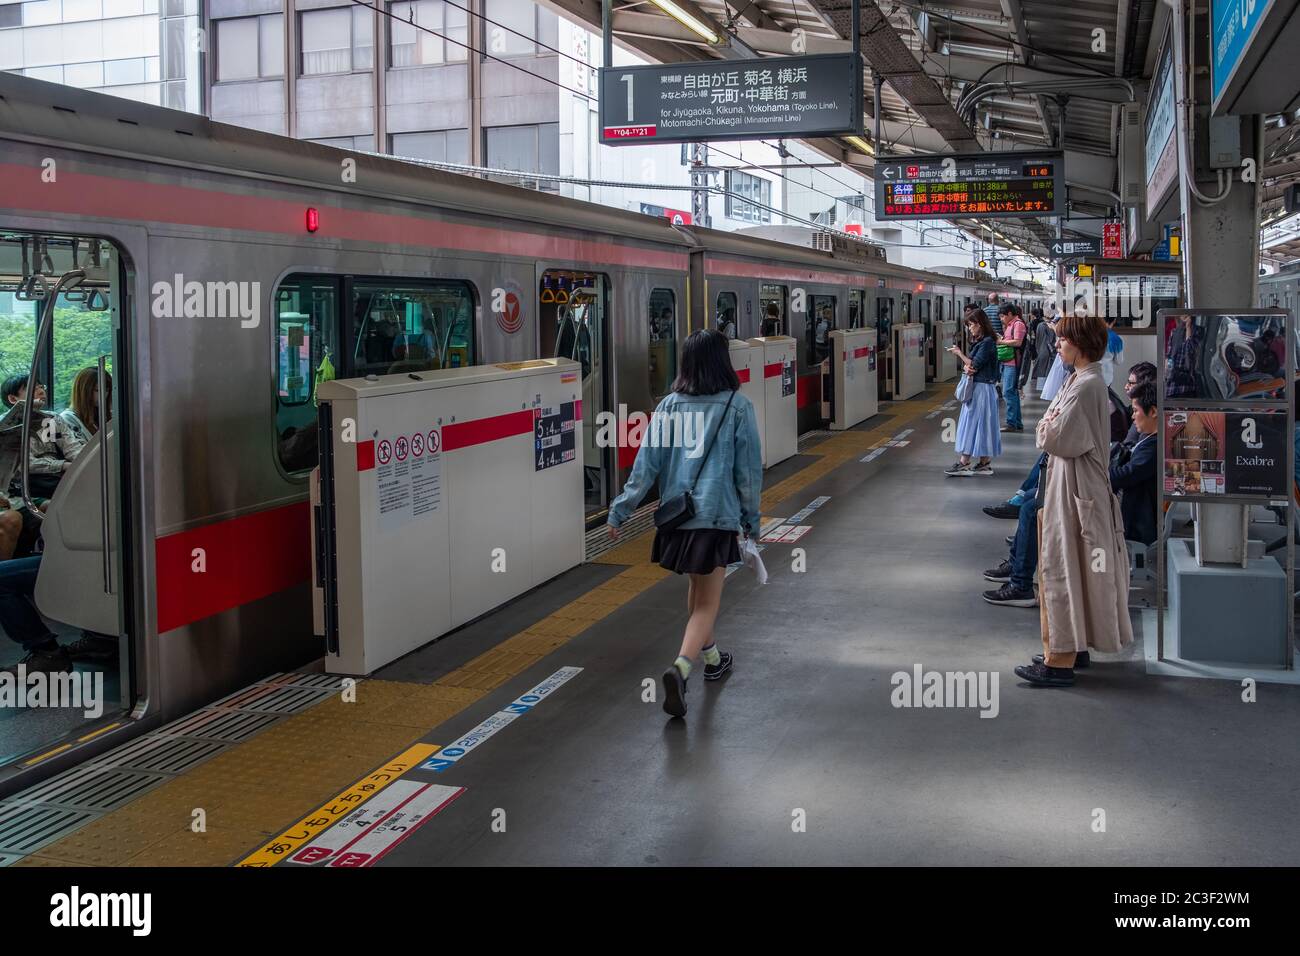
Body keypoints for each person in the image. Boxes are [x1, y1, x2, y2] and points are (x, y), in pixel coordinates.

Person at [605, 329, 762, 719]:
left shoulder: (669, 406)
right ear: (722, 362)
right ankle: (681, 669)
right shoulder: (737, 407)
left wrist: (620, 510)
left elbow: (646, 465)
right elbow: (748, 474)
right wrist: (751, 521)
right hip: (716, 514)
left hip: (678, 516)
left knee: (696, 593)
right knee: (708, 603)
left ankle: (712, 659)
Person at [1014, 312, 1132, 688]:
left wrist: (1045, 425)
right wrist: (1047, 423)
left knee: (1062, 569)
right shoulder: (1083, 379)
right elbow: (1051, 426)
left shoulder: (1084, 387)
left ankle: (1059, 660)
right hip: (1077, 486)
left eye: (1063, 340)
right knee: (1078, 570)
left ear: (1079, 345)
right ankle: (1073, 646)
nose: (1058, 344)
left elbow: (1052, 436)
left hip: (1077, 490)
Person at [944, 307, 1001, 477]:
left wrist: (959, 354)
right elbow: (972, 366)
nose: (969, 328)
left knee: (971, 422)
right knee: (982, 424)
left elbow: (974, 365)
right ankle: (984, 462)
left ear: (980, 324)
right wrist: (968, 365)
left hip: (981, 390)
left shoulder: (987, 342)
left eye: (971, 325)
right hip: (983, 388)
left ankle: (964, 462)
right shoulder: (986, 341)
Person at [1110, 382, 1159, 545]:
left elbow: (1127, 475)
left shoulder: (1153, 447)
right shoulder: (1147, 438)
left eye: (1136, 411)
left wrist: (1094, 473)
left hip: (1135, 524)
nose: (1132, 416)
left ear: (1153, 412)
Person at [60, 367, 113, 444]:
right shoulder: (68, 419)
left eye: (107, 390)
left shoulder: (105, 416)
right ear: (84, 391)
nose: (104, 395)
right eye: (97, 390)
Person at [997, 303, 1027, 432]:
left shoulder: (1018, 324)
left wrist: (1001, 341)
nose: (1001, 319)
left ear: (1010, 314)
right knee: (1012, 392)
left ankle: (1011, 423)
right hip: (1007, 362)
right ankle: (1017, 422)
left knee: (1008, 392)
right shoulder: (1010, 325)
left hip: (1013, 363)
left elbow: (1017, 342)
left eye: (1003, 316)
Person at [1100, 315, 1124, 388]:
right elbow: (1119, 361)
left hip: (1088, 376)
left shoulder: (1090, 335)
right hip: (1106, 378)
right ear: (1114, 321)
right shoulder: (1116, 339)